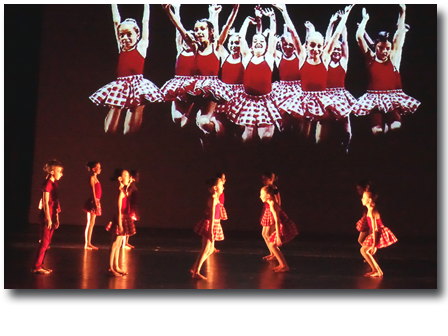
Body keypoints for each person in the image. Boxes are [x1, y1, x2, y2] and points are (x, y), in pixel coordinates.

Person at [273, 4, 354, 144]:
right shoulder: (302, 57)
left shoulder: (325, 58)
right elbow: (293, 33)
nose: (315, 49)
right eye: (312, 45)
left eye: (318, 46)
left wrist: (346, 15)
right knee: (303, 136)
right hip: (305, 99)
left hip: (323, 99)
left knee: (321, 139)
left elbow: (336, 35)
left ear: (323, 47)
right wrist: (284, 11)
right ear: (307, 45)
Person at [162, 4, 240, 138]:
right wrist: (169, 11)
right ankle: (202, 138)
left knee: (203, 121)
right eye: (196, 29)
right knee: (184, 123)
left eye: (202, 29)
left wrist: (235, 10)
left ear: (210, 32)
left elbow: (226, 27)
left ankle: (219, 130)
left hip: (211, 89)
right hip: (195, 87)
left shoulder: (216, 46)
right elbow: (180, 30)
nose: (198, 32)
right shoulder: (194, 47)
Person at [89, 4, 163, 134]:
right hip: (120, 85)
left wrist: (147, 4)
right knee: (110, 128)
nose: (125, 38)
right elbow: (116, 20)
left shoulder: (141, 46)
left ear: (137, 35)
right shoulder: (121, 47)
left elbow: (146, 21)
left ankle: (130, 142)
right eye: (121, 35)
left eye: (129, 34)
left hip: (137, 85)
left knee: (130, 127)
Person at [352, 5, 420, 135]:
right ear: (375, 46)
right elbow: (359, 37)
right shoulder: (370, 58)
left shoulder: (393, 57)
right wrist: (365, 20)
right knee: (377, 131)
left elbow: (399, 33)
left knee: (395, 128)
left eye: (387, 48)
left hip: (392, 97)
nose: (384, 51)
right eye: (380, 48)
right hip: (374, 98)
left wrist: (402, 11)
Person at [226, 7, 282, 142]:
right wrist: (245, 22)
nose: (258, 43)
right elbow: (241, 38)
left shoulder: (268, 58)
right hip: (249, 101)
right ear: (251, 46)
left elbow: (272, 36)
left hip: (265, 101)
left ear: (266, 46)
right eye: (255, 41)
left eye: (261, 42)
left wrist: (272, 18)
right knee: (247, 138)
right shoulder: (246, 58)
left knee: (266, 136)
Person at [325, 9, 357, 151]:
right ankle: (325, 147)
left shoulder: (343, 62)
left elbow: (345, 42)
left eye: (339, 50)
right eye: (335, 49)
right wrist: (331, 24)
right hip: (326, 95)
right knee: (326, 124)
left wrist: (344, 21)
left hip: (340, 94)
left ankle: (346, 147)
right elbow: (327, 42)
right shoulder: (325, 62)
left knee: (345, 123)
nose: (337, 51)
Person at [32, 160, 63, 274]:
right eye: (59, 171)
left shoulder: (54, 184)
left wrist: (56, 217)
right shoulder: (47, 184)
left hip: (52, 214)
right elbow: (45, 202)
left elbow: (55, 202)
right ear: (52, 171)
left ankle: (40, 265)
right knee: (44, 242)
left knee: (47, 242)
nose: (61, 174)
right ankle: (37, 266)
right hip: (47, 215)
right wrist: (49, 218)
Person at [191, 177, 225, 280]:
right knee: (205, 249)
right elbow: (212, 215)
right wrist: (211, 231)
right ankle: (196, 272)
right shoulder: (213, 199)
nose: (223, 187)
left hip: (213, 224)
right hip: (209, 225)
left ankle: (195, 267)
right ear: (215, 188)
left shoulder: (216, 198)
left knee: (210, 250)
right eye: (221, 186)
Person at [260, 185, 298, 272]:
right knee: (271, 244)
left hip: (284, 225)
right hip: (282, 225)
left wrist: (278, 236)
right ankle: (282, 264)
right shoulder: (270, 203)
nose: (260, 196)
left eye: (262, 194)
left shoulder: (272, 204)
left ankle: (284, 265)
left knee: (272, 244)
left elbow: (277, 221)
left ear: (268, 195)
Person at [360, 190, 398, 277]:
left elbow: (375, 229)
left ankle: (376, 270)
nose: (362, 199)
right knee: (364, 250)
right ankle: (377, 270)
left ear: (369, 200)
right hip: (375, 233)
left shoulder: (372, 211)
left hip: (378, 233)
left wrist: (374, 245)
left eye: (364, 198)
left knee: (363, 250)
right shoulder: (369, 210)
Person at [106, 169, 136, 276]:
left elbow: (131, 189)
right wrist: (120, 224)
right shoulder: (120, 192)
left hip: (124, 218)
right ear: (120, 178)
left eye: (128, 175)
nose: (128, 177)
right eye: (126, 175)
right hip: (120, 219)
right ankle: (111, 268)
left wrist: (131, 183)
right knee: (115, 243)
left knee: (118, 244)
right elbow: (118, 210)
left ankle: (116, 266)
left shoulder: (124, 190)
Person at [260, 172, 281, 260]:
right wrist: (263, 214)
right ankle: (272, 252)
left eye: (265, 179)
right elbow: (265, 205)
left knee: (269, 234)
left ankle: (275, 253)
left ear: (271, 179)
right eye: (263, 179)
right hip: (267, 211)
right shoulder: (266, 189)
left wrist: (276, 212)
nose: (263, 181)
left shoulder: (273, 189)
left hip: (272, 212)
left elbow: (278, 202)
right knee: (264, 234)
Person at [82, 161, 102, 250]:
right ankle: (87, 243)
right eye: (98, 167)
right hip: (93, 201)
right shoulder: (92, 178)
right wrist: (94, 202)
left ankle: (88, 242)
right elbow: (93, 191)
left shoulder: (96, 178)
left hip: (96, 201)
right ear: (94, 169)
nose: (100, 169)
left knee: (92, 223)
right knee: (90, 223)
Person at [123, 170, 140, 249]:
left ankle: (126, 242)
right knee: (128, 223)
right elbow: (127, 194)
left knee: (130, 223)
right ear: (132, 177)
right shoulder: (131, 185)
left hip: (133, 206)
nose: (138, 178)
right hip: (131, 206)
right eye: (136, 176)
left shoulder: (132, 185)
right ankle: (124, 242)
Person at [213, 172, 228, 253]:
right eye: (222, 178)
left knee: (216, 226)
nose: (224, 180)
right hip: (217, 208)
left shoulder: (221, 188)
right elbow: (217, 199)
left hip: (220, 207)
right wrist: (220, 211)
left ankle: (212, 246)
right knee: (215, 226)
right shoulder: (218, 189)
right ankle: (212, 246)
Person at [355, 180, 371, 246]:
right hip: (366, 218)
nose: (358, 191)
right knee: (362, 241)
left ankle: (369, 254)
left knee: (362, 241)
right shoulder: (364, 197)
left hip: (369, 219)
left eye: (360, 189)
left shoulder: (368, 197)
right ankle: (369, 254)